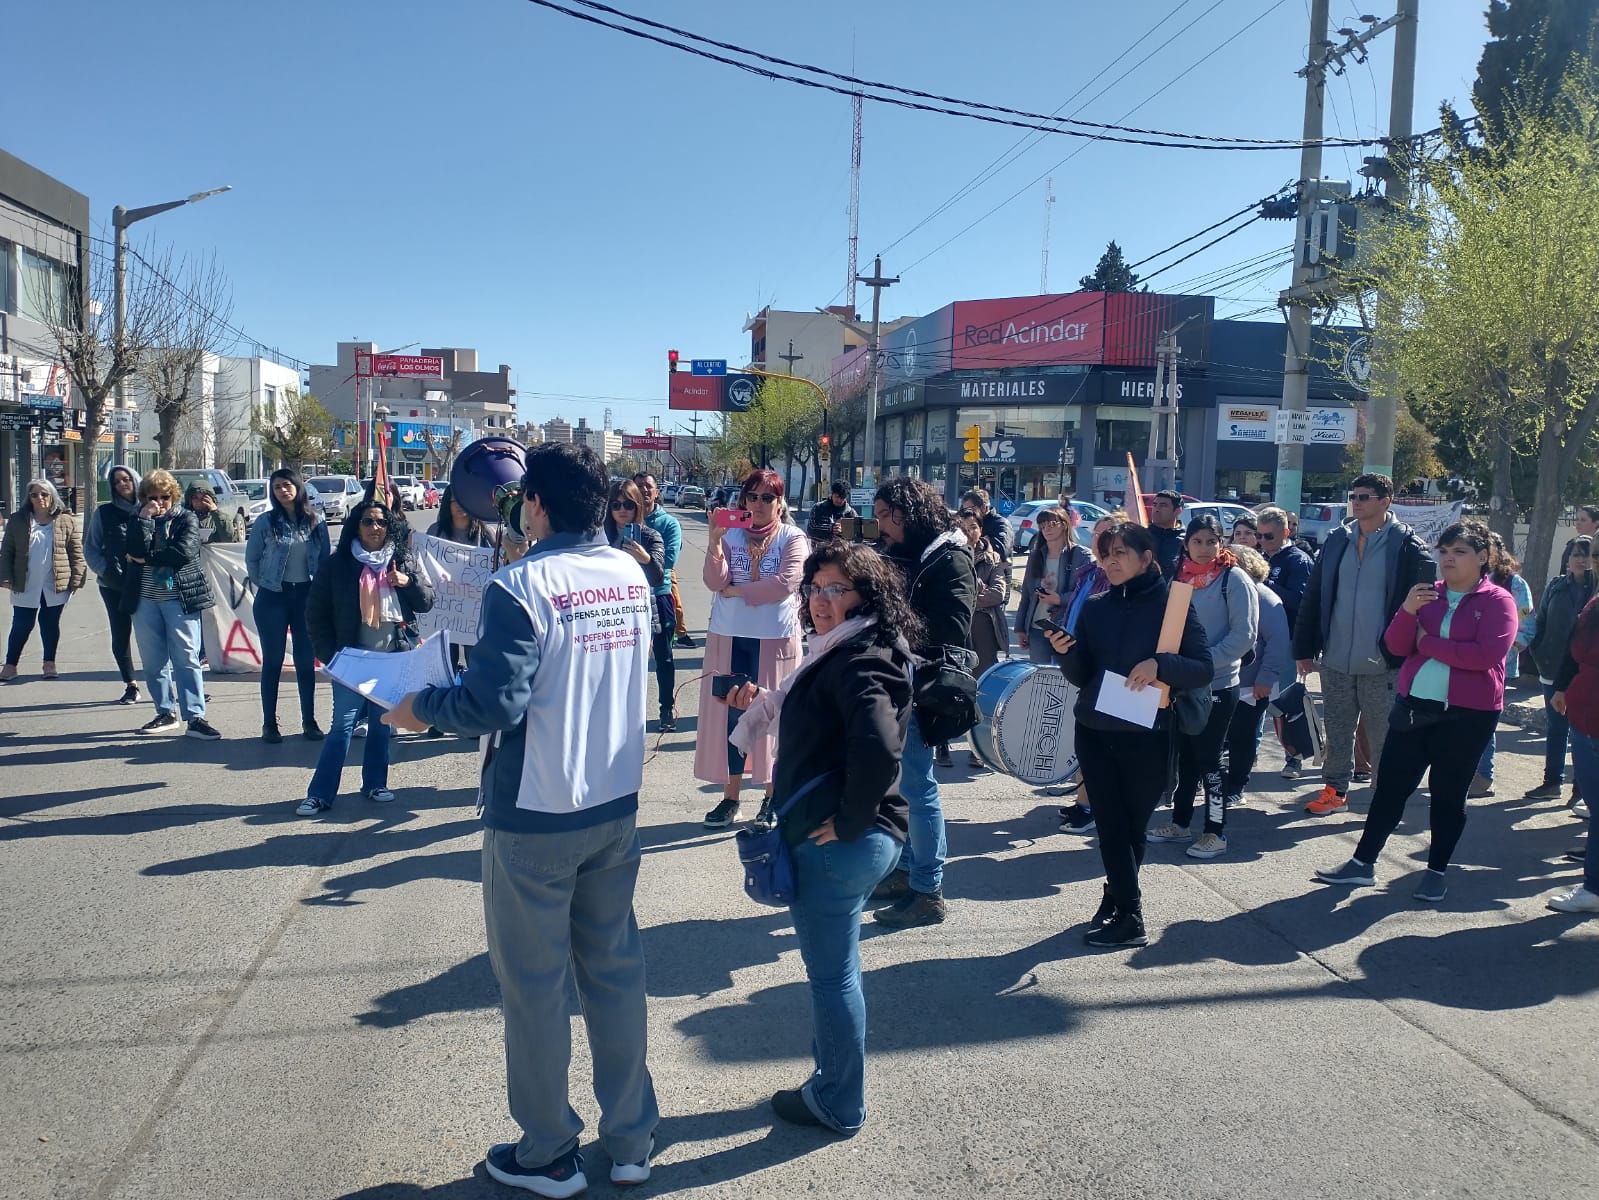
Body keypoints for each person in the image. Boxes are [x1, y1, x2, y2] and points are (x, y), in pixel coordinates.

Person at [383, 442, 659, 1192]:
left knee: (535, 990)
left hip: (535, 810)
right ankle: (632, 1140)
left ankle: (548, 1152)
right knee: (614, 973)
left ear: (536, 503)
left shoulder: (521, 585)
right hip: (614, 801)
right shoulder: (630, 570)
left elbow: (492, 705)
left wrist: (417, 709)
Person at [723, 541, 917, 1135]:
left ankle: (837, 1100)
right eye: (815, 588)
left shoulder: (860, 657)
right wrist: (768, 703)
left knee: (833, 979)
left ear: (867, 595)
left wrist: (855, 817)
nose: (821, 600)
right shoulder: (845, 647)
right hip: (853, 838)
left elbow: (880, 745)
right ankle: (831, 1084)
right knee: (841, 973)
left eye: (837, 589)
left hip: (841, 842)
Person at [1316, 520, 1517, 902]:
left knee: (1447, 795)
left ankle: (1436, 871)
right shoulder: (1425, 595)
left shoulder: (1498, 601)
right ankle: (1362, 864)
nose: (1448, 559)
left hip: (1468, 714)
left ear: (1483, 557)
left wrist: (1428, 644)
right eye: (1444, 552)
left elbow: (1485, 656)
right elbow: (1393, 646)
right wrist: (1408, 611)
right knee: (1390, 788)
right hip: (1413, 707)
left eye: (1459, 552)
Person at [1043, 521, 1211, 947]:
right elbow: (1085, 676)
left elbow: (1203, 668)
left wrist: (1161, 665)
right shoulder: (1097, 606)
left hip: (1148, 732)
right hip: (1096, 729)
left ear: (1146, 558)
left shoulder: (1174, 605)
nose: (1111, 561)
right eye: (1106, 553)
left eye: (1120, 552)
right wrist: (1068, 654)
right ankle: (1131, 915)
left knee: (1133, 829)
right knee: (1112, 826)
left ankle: (1115, 899)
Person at [869, 476, 976, 928]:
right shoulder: (905, 551)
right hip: (894, 680)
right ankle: (908, 868)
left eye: (883, 518)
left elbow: (952, 629)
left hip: (922, 686)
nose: (880, 528)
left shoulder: (949, 558)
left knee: (917, 786)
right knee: (897, 784)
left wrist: (892, 618)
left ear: (906, 513)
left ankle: (928, 890)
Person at [1292, 473, 1432, 815]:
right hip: (1336, 658)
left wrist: (1410, 654)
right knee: (1338, 732)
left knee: (1387, 737)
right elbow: (1315, 593)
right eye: (1353, 495)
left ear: (1386, 501)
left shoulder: (1408, 546)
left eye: (1365, 496)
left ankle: (1385, 801)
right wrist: (1303, 649)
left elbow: (1425, 606)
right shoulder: (1338, 538)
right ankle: (1334, 792)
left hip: (1384, 663)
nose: (1356, 501)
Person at [296, 495, 434, 816]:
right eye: (368, 521)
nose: (376, 527)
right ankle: (320, 794)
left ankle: (375, 784)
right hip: (351, 662)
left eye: (382, 522)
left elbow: (426, 600)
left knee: (381, 724)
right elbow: (315, 614)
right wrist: (330, 656)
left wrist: (406, 582)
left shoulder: (402, 559)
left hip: (391, 660)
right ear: (355, 526)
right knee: (342, 727)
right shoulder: (337, 564)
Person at [696, 469, 808, 830]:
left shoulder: (793, 537)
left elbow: (786, 583)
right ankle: (731, 798)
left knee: (771, 717)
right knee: (730, 717)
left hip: (775, 639)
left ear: (780, 503)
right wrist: (715, 542)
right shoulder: (730, 536)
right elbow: (715, 581)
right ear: (742, 500)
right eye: (752, 496)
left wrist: (739, 592)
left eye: (767, 498)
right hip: (728, 636)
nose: (758, 505)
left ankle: (773, 797)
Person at [1148, 515, 1258, 859]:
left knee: (1210, 758)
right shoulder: (1176, 578)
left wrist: (1202, 664)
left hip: (1218, 686)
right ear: (1186, 543)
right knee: (1185, 757)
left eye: (1212, 541)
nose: (1205, 548)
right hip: (1180, 684)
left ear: (1221, 543)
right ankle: (1180, 824)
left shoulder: (1234, 580)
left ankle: (1215, 831)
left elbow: (1244, 636)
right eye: (1198, 541)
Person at [122, 469, 220, 738]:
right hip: (145, 599)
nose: (159, 502)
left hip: (179, 597)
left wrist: (146, 559)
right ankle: (165, 711)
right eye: (152, 497)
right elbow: (132, 550)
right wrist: (144, 520)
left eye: (164, 497)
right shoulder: (137, 517)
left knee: (186, 658)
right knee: (154, 661)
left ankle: (195, 716)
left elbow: (182, 553)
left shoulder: (185, 518)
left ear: (173, 496)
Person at [246, 468, 330, 744]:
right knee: (273, 661)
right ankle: (269, 723)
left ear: (298, 487)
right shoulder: (265, 522)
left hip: (305, 596)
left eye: (287, 485)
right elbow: (252, 559)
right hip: (274, 598)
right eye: (277, 487)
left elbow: (325, 561)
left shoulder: (316, 522)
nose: (283, 490)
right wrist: (268, 584)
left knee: (306, 662)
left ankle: (309, 721)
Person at [1054, 512, 1122, 834]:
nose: (1100, 539)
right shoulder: (1088, 572)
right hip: (1075, 659)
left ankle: (1089, 805)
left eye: (1108, 534)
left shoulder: (1118, 578)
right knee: (1080, 738)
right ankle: (1084, 799)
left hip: (1100, 670)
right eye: (1097, 533)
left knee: (1094, 742)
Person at [1221, 546, 1293, 814]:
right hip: (1225, 681)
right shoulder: (1224, 593)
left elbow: (1277, 643)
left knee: (1243, 738)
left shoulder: (1265, 598)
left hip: (1253, 686)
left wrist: (1266, 679)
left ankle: (1236, 787)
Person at [1526, 537, 1595, 801]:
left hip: (1585, 676)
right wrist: (1540, 655)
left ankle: (1583, 790)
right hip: (1552, 671)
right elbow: (1539, 623)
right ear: (1567, 559)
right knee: (1557, 729)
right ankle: (1552, 782)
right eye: (1576, 554)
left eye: (1587, 555)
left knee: (1583, 734)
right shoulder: (1556, 587)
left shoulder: (1596, 591)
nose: (1581, 560)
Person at [0, 479, 86, 682]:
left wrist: (77, 578)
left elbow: (75, 552)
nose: (40, 498)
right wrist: (4, 576)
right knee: (21, 624)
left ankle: (49, 663)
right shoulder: (18, 520)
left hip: (54, 583)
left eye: (44, 494)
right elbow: (7, 551)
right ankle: (10, 665)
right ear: (29, 498)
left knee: (49, 623)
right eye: (34, 494)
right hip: (26, 581)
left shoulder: (65, 520)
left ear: (52, 496)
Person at [1472, 531, 1534, 797]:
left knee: (1484, 721)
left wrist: (1502, 652)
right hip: (1465, 663)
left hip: (1499, 667)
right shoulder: (1469, 581)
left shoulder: (1516, 585)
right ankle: (1463, 772)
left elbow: (1526, 627)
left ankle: (1483, 776)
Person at [83, 465, 143, 702]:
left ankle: (167, 683)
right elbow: (91, 547)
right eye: (117, 481)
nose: (122, 484)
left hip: (147, 583)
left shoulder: (150, 508)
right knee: (120, 635)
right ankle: (131, 684)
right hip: (113, 585)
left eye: (127, 479)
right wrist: (105, 570)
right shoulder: (104, 513)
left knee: (155, 634)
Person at [958, 510, 1009, 769]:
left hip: (983, 628)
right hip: (957, 628)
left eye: (973, 526)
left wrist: (968, 595)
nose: (969, 531)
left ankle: (978, 747)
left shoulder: (992, 558)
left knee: (983, 685)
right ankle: (945, 745)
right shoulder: (950, 554)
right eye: (963, 526)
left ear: (981, 529)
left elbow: (998, 593)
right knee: (957, 685)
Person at [633, 472, 684, 730]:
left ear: (656, 492)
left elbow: (668, 561)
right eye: (638, 486)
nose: (643, 490)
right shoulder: (622, 519)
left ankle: (666, 708)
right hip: (626, 599)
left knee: (663, 656)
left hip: (659, 595)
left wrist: (641, 562)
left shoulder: (668, 524)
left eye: (648, 487)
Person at [1013, 505, 1091, 665]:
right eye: (1042, 526)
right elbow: (1026, 594)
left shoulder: (1081, 555)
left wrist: (1059, 599)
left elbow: (1087, 594)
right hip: (1037, 628)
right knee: (1040, 678)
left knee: (1065, 679)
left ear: (1064, 524)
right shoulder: (1036, 555)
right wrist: (1020, 628)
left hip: (1066, 629)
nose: (1046, 529)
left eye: (1051, 524)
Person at [604, 478, 666, 621]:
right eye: (616, 505)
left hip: (639, 610)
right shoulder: (599, 537)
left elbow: (658, 579)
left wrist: (646, 560)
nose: (622, 510)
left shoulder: (651, 536)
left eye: (628, 505)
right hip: (607, 609)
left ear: (637, 506)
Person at [430, 483, 501, 549]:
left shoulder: (487, 533)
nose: (460, 505)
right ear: (447, 503)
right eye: (455, 500)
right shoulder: (434, 531)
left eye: (463, 500)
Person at [959, 487, 1012, 565]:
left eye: (970, 509)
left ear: (984, 507)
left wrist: (978, 541)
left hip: (996, 573)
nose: (967, 512)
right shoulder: (965, 521)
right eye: (964, 509)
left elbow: (1001, 551)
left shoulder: (1001, 523)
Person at [1147, 489, 1186, 580]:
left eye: (1163, 506)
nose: (1157, 509)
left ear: (1178, 511)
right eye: (1155, 505)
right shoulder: (1141, 536)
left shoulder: (1186, 541)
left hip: (1174, 591)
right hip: (1144, 591)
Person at [183, 480, 237, 544]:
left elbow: (229, 539)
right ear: (190, 500)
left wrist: (215, 512)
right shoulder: (183, 519)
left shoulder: (219, 518)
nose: (199, 502)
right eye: (195, 498)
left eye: (204, 498)